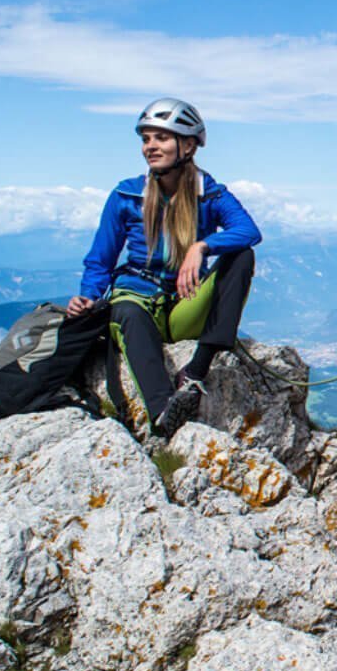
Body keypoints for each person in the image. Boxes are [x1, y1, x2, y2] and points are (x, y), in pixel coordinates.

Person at [69, 98, 262, 438]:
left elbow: (249, 231)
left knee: (241, 256)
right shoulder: (127, 196)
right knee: (126, 311)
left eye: (160, 138)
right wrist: (88, 298)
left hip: (184, 305)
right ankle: (163, 412)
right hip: (138, 301)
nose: (150, 147)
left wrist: (202, 247)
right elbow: (100, 259)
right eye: (146, 139)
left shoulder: (209, 194)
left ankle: (196, 370)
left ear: (188, 145)